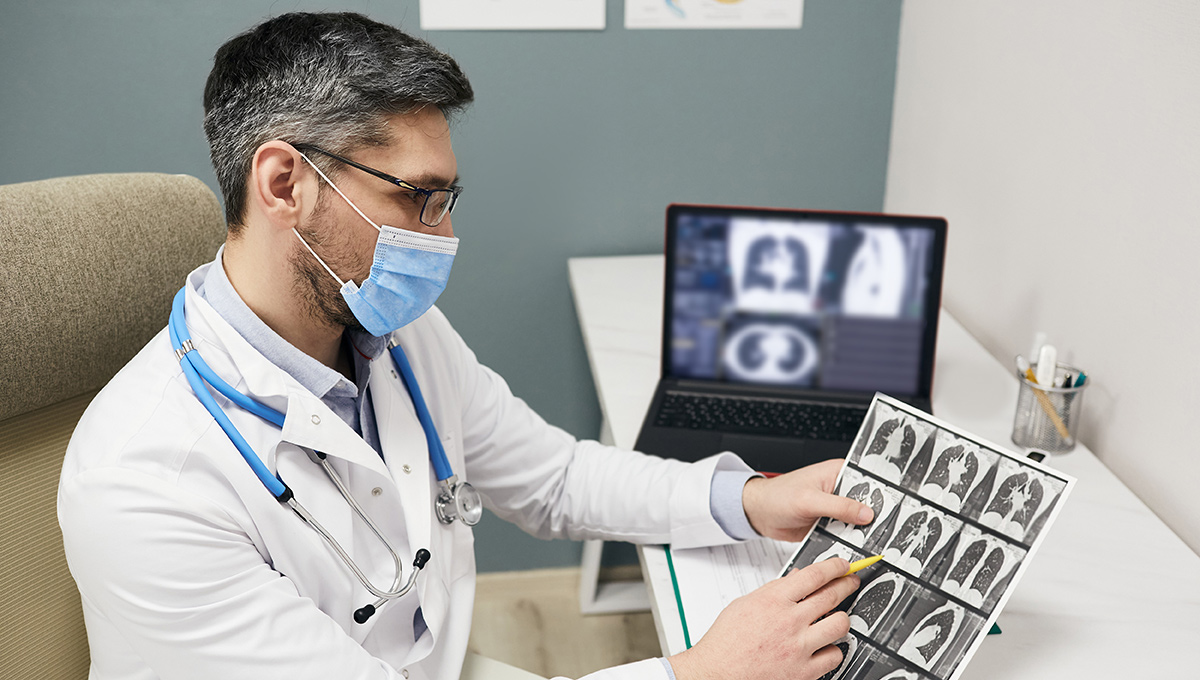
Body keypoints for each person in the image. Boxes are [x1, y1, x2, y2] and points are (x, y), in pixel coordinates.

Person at [57, 12, 874, 680]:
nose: (444, 236)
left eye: (449, 199)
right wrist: (698, 674)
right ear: (284, 185)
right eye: (421, 199)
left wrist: (749, 500)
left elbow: (554, 479)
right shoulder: (143, 483)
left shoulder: (390, 332)